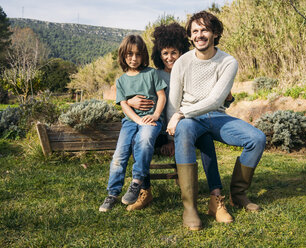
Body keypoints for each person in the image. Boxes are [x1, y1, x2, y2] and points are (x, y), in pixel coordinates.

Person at [166, 11, 266, 230]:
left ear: (215, 33)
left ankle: (238, 195)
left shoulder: (228, 62)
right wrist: (174, 121)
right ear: (190, 36)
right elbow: (173, 104)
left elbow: (215, 100)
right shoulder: (182, 62)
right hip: (190, 121)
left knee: (257, 139)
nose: (199, 35)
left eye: (204, 30)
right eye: (195, 31)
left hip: (217, 116)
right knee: (183, 132)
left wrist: (182, 114)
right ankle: (190, 207)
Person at [126, 23, 234, 224]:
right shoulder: (155, 75)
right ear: (159, 54)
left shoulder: (192, 70)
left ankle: (215, 196)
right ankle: (145, 191)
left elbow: (209, 98)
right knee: (138, 142)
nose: (169, 58)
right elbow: (135, 93)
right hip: (160, 129)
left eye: (174, 53)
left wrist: (227, 98)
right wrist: (130, 101)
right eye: (164, 53)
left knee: (207, 143)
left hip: (188, 125)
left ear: (182, 52)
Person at [99, 35, 167, 212]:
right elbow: (123, 105)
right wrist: (137, 120)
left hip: (150, 120)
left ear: (143, 55)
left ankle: (136, 182)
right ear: (123, 55)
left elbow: (161, 96)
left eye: (138, 54)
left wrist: (156, 115)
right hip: (130, 123)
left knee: (143, 141)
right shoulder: (121, 81)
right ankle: (112, 194)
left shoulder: (151, 74)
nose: (134, 59)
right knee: (119, 155)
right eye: (129, 54)